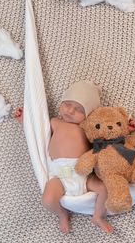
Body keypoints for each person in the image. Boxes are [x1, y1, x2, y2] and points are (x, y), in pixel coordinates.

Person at [15, 80, 113, 234]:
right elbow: (37, 134)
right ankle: (62, 213)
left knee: (104, 188)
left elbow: (107, 136)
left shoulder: (87, 129)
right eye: (67, 104)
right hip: (59, 175)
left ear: (88, 115)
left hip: (82, 173)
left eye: (79, 109)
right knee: (47, 200)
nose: (71, 111)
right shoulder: (55, 123)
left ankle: (98, 216)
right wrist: (25, 122)